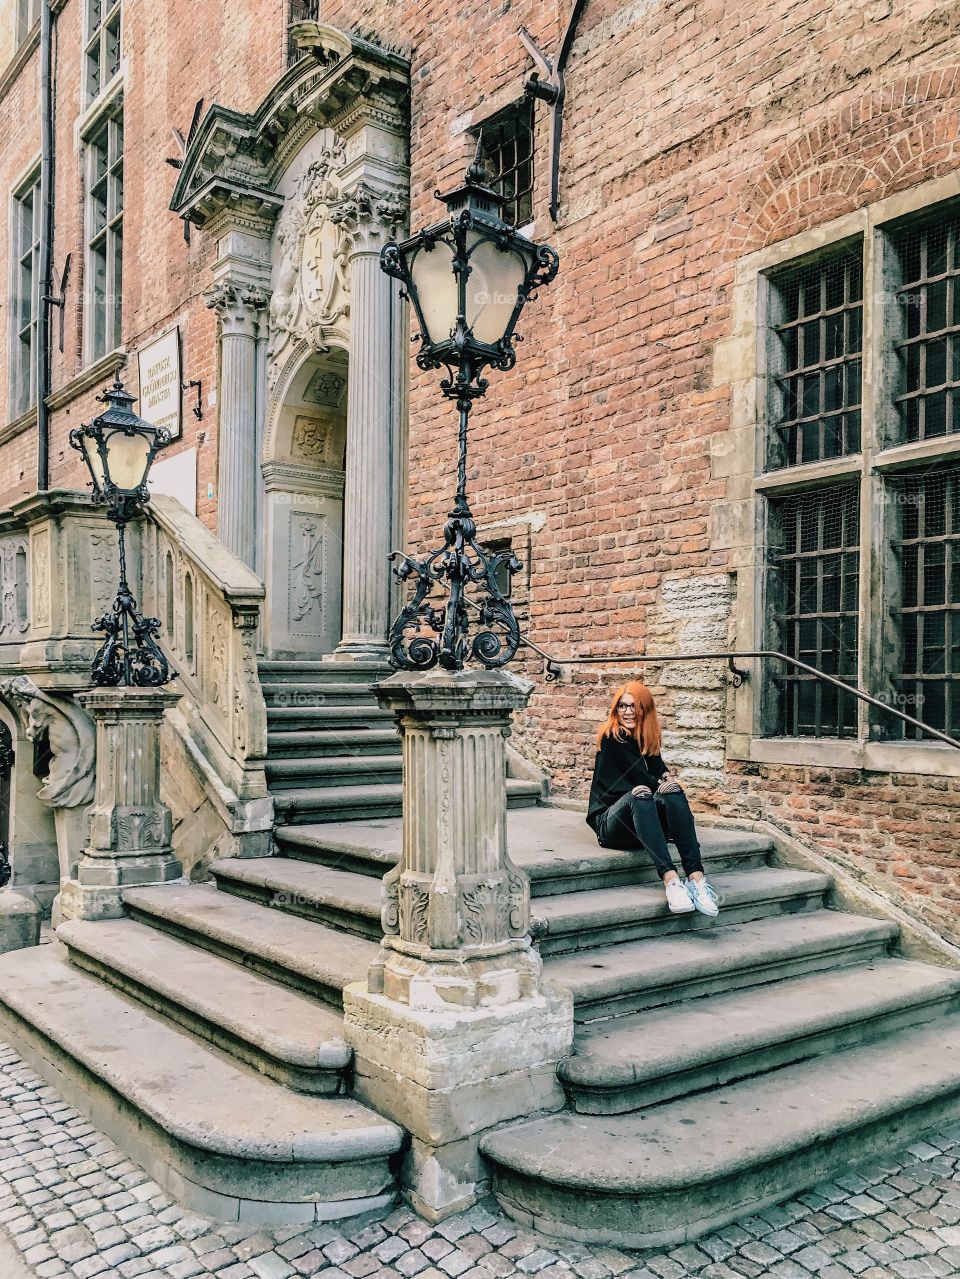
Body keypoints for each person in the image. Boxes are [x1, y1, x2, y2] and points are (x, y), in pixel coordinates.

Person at [586, 679, 720, 917]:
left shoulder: (646, 737)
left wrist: (669, 781)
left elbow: (659, 770)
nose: (627, 712)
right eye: (622, 706)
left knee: (672, 791)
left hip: (642, 823)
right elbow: (643, 777)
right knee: (641, 792)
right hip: (611, 825)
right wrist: (664, 781)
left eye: (633, 706)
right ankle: (671, 881)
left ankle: (696, 879)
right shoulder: (612, 737)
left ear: (644, 710)